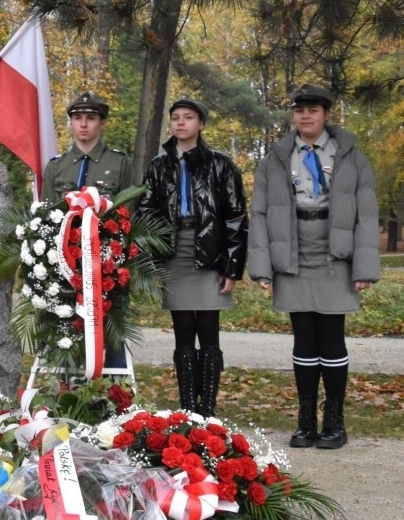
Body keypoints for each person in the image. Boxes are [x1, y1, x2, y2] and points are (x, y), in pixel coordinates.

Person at [248, 84, 379, 449]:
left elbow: (368, 215)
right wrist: (262, 266)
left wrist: (364, 267)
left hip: (334, 252)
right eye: (299, 110)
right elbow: (259, 214)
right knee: (303, 336)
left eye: (313, 110)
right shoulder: (275, 158)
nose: (305, 116)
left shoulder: (351, 156)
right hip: (293, 250)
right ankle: (305, 421)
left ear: (326, 114)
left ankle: (334, 422)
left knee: (332, 336)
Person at [139, 96, 247, 416]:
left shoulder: (221, 164)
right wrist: (153, 262)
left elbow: (236, 216)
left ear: (200, 124)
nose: (181, 122)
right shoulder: (158, 166)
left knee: (209, 329)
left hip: (210, 253)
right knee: (183, 330)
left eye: (188, 117)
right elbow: (146, 214)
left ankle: (208, 410)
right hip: (174, 254)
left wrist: (231, 265)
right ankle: (188, 408)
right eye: (176, 117)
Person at [41, 91, 133, 202]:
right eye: (77, 118)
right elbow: (46, 209)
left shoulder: (120, 164)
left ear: (102, 124)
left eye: (90, 118)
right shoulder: (55, 167)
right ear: (71, 123)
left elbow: (128, 209)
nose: (83, 124)